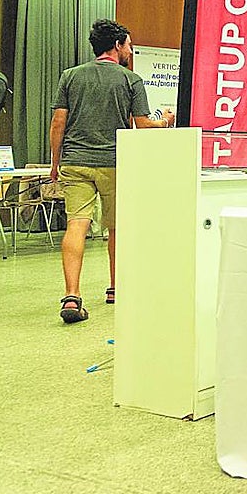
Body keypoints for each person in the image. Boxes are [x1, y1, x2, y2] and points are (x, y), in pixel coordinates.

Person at [50, 19, 173, 324]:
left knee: (76, 224)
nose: (130, 50)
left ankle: (72, 295)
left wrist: (56, 162)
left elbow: (57, 123)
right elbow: (143, 125)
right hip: (115, 162)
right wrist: (166, 120)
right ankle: (117, 288)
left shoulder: (71, 76)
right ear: (118, 45)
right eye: (129, 44)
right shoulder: (130, 80)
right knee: (117, 227)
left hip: (75, 162)